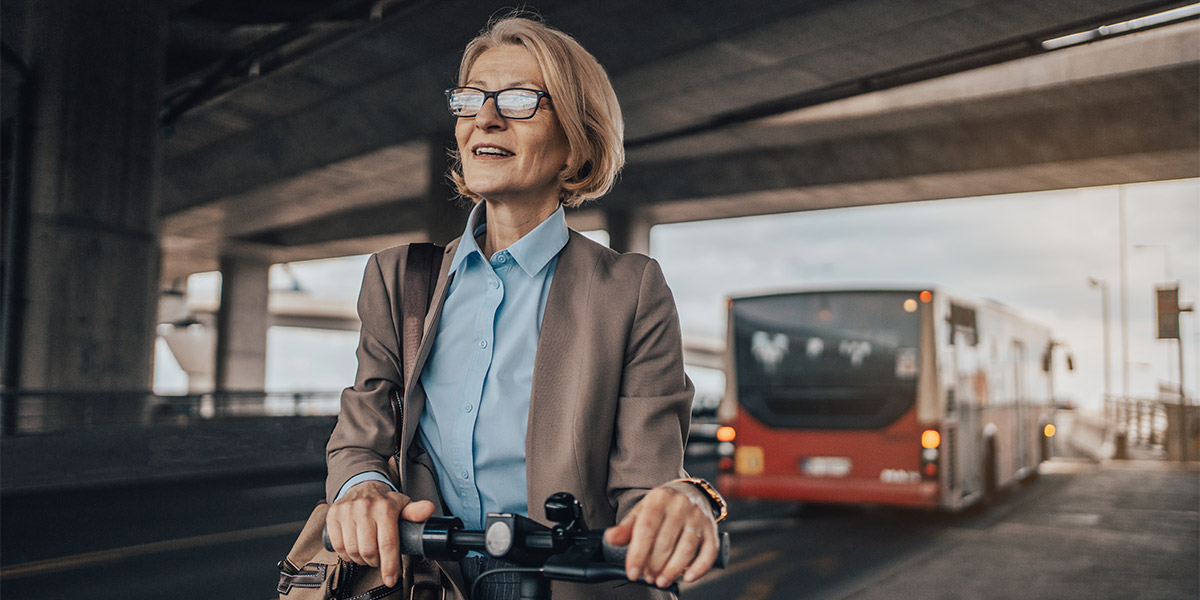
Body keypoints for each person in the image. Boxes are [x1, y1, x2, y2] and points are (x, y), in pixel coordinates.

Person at [323, 14, 725, 600]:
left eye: (518, 100)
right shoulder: (397, 278)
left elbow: (648, 482)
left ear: (575, 142)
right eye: (471, 100)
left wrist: (680, 504)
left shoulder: (631, 290)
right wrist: (361, 487)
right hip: (421, 579)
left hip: (563, 584)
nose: (484, 117)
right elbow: (361, 435)